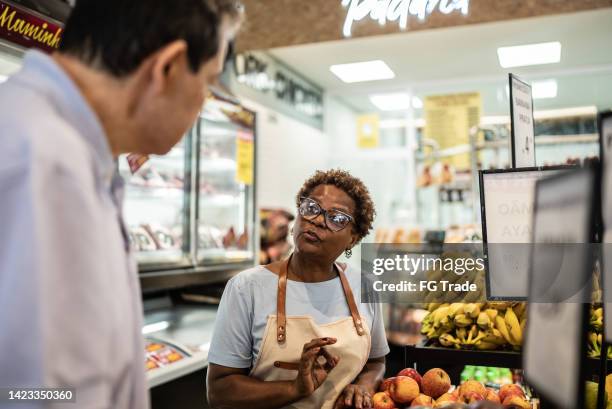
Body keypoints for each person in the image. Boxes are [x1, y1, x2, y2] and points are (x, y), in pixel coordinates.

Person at [0, 0, 243, 407]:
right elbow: (32, 393)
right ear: (167, 68)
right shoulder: (44, 164)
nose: (202, 103)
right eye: (207, 82)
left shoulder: (68, 147)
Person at [207, 169, 389, 409]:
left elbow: (376, 362)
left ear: (353, 238)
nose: (317, 220)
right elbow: (220, 392)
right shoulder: (247, 288)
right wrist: (294, 389)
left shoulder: (363, 285)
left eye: (336, 218)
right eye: (311, 208)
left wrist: (364, 386)